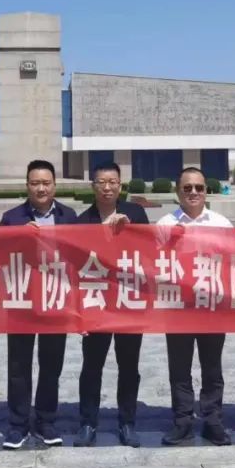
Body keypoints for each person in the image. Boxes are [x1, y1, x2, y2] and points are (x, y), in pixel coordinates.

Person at [0, 159, 78, 449]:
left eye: (46, 183)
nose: (40, 188)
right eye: (35, 183)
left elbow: (79, 257)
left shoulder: (69, 216)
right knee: (18, 366)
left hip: (56, 300)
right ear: (27, 186)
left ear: (54, 185)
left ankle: (46, 420)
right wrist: (19, 237)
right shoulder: (11, 218)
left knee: (51, 364)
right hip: (21, 301)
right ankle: (17, 424)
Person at [74, 161, 150, 448]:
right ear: (93, 186)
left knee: (129, 365)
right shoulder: (82, 221)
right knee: (92, 366)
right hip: (96, 304)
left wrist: (131, 231)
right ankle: (88, 422)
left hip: (128, 301)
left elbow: (149, 251)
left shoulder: (135, 213)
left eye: (112, 182)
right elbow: (75, 266)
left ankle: (127, 422)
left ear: (120, 185)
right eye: (101, 182)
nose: (107, 187)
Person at [157, 166, 234, 445]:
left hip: (212, 304)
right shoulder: (164, 223)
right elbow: (153, 262)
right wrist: (169, 244)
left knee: (212, 367)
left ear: (206, 191)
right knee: (179, 368)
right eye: (187, 188)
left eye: (199, 188)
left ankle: (213, 420)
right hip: (178, 306)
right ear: (178, 191)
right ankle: (183, 421)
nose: (193, 192)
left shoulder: (221, 224)